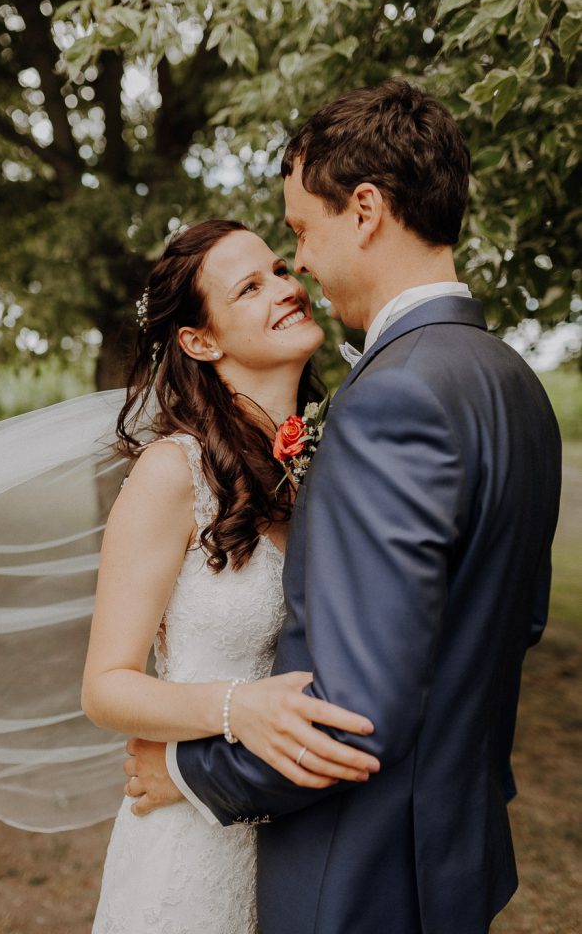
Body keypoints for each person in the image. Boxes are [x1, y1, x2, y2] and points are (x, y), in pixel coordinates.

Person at [124, 80, 562, 934]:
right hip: (447, 854)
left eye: (299, 233)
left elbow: (354, 721)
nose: (301, 266)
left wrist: (186, 771)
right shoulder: (513, 383)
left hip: (355, 873)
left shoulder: (393, 395)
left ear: (364, 210)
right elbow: (517, 621)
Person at [83, 218, 381, 934]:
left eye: (279, 269)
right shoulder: (172, 473)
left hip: (302, 835)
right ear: (200, 341)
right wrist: (235, 709)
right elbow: (105, 686)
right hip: (190, 850)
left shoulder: (333, 463)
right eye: (249, 288)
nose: (285, 288)